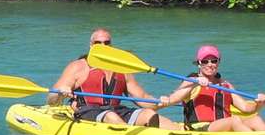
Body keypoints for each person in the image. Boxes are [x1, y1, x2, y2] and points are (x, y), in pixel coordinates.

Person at [44, 28, 174, 127]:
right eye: (98, 43)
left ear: (111, 46)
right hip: (86, 112)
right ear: (91, 46)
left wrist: (160, 102)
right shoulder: (78, 67)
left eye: (107, 43)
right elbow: (51, 100)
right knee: (110, 116)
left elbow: (143, 99)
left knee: (149, 114)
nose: (103, 46)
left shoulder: (122, 69)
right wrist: (61, 91)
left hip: (116, 110)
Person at [156, 44, 265, 132]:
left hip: (224, 127)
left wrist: (258, 104)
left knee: (255, 120)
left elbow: (245, 108)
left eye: (214, 61)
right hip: (200, 129)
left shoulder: (225, 85)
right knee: (233, 121)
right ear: (199, 63)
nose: (210, 64)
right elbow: (175, 97)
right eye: (205, 61)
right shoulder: (192, 81)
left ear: (218, 62)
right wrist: (167, 99)